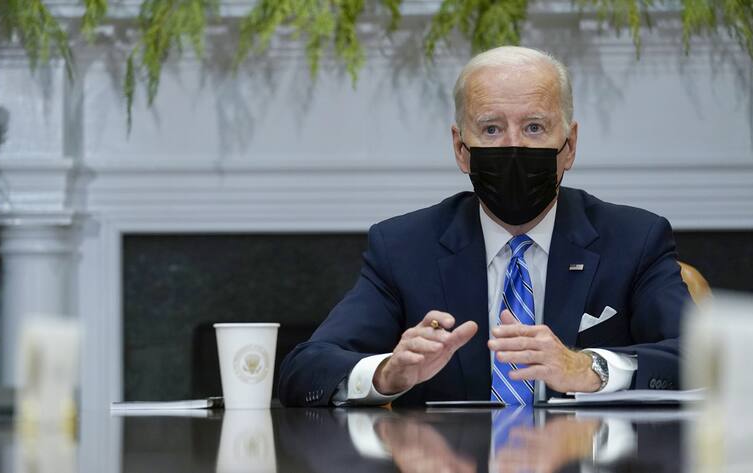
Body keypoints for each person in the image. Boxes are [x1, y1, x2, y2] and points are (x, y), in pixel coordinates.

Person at [279, 46, 690, 407]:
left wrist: (590, 368)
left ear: (570, 146)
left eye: (534, 127)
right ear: (461, 149)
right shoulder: (405, 248)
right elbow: (305, 369)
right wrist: (387, 373)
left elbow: (704, 360)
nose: (514, 146)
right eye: (491, 129)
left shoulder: (634, 239)